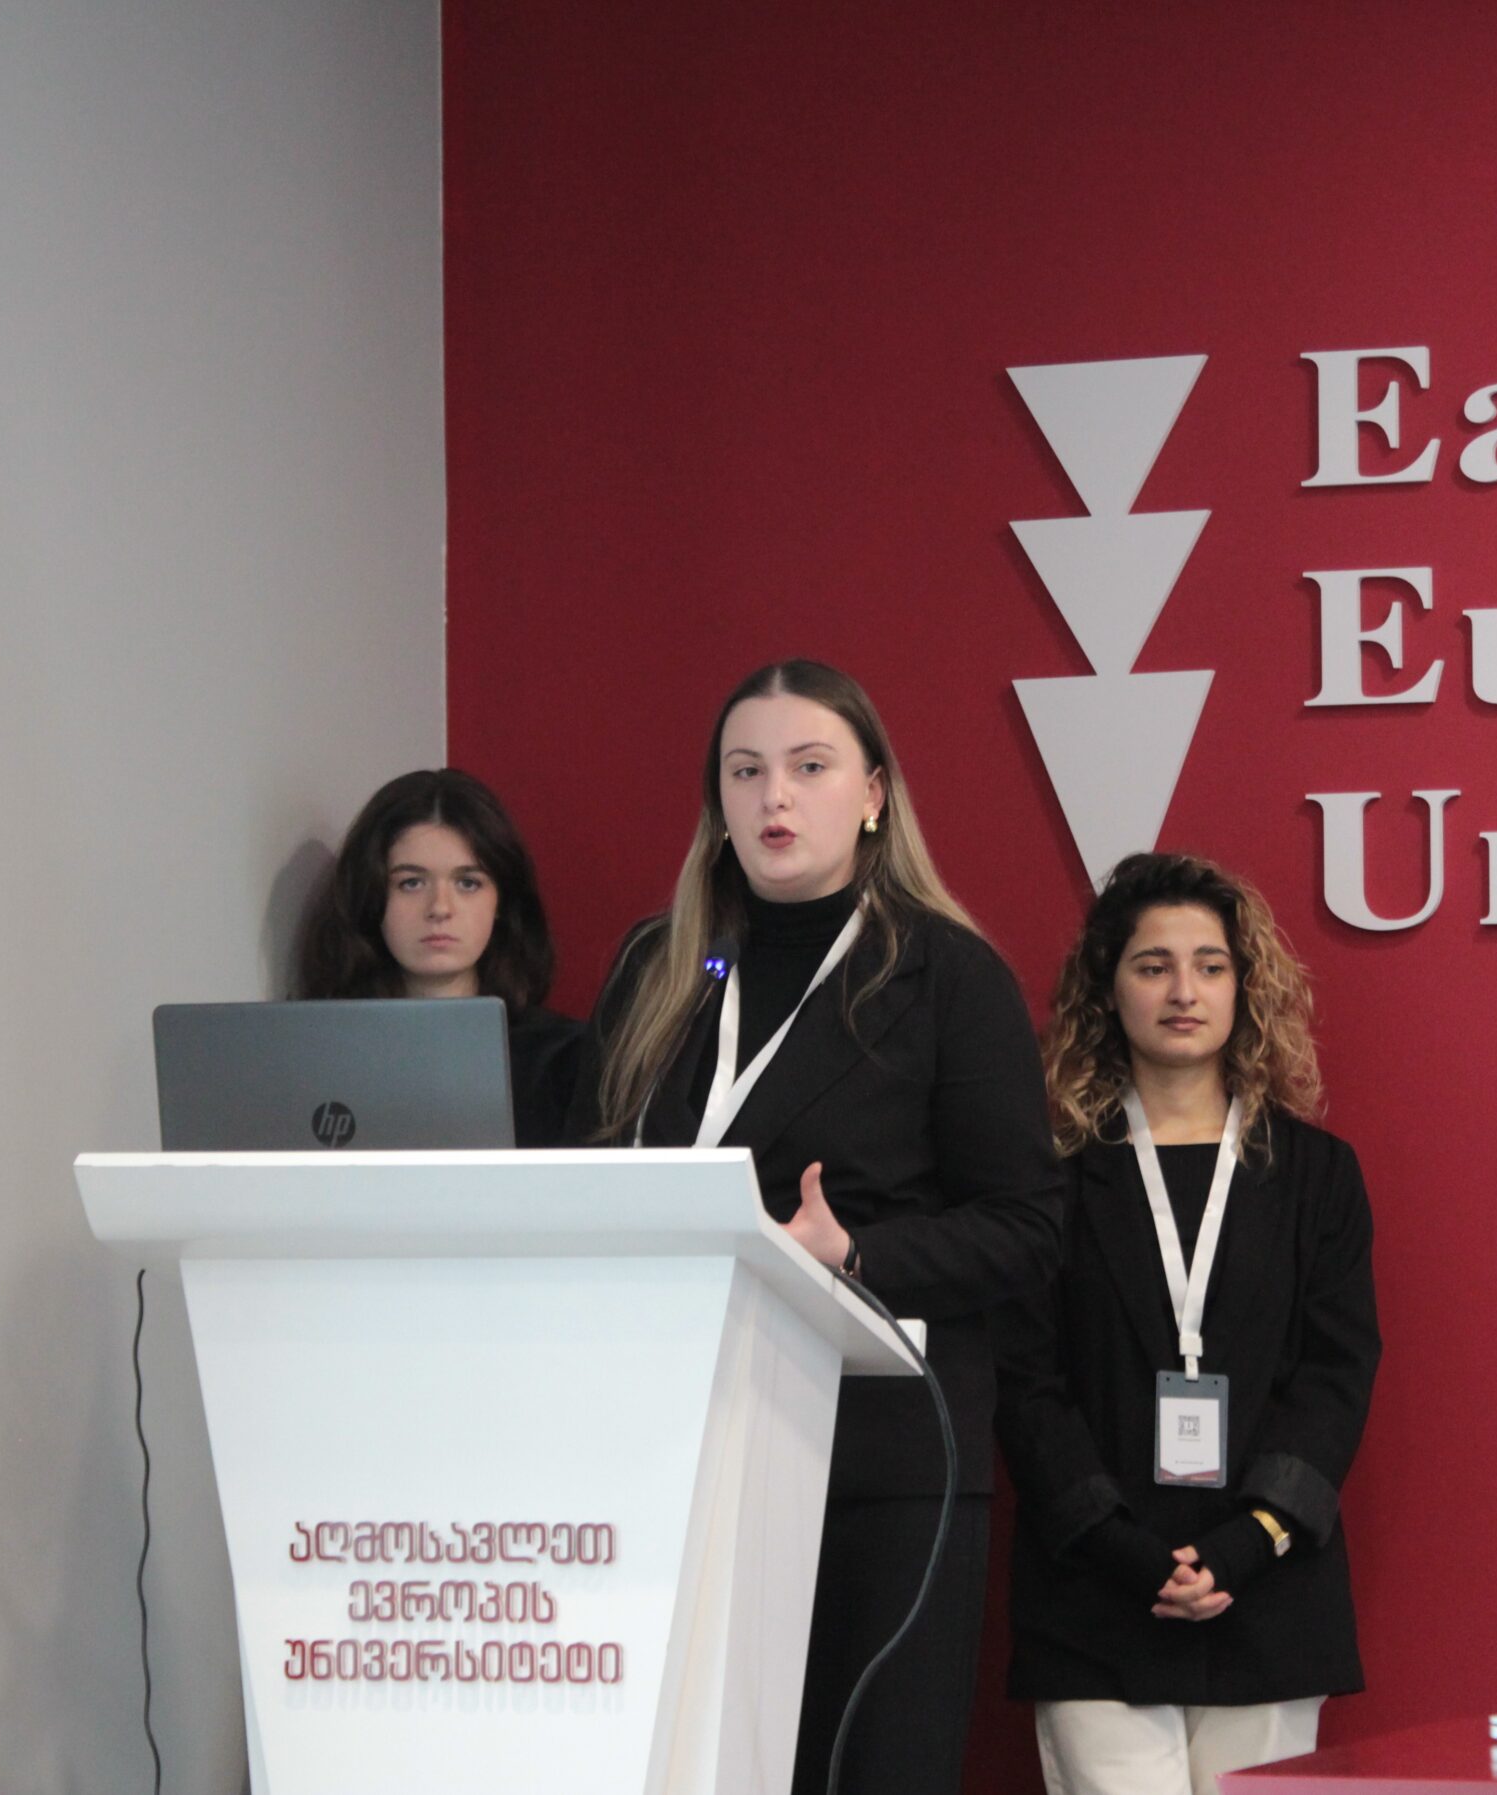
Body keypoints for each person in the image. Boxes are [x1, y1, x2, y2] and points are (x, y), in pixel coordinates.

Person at [577, 658, 1062, 1795]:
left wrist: (854, 1255)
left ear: (874, 794)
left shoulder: (948, 975)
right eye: (745, 772)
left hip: (878, 1458)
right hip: (673, 1447)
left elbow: (1030, 1228)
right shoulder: (659, 968)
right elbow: (587, 1175)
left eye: (808, 767)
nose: (774, 798)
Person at [997, 853, 1380, 1795]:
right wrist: (1123, 1549)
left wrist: (1249, 1540)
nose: (1182, 991)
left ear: (1244, 988)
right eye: (1152, 965)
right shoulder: (1048, 1180)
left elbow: (1336, 1377)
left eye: (1210, 966)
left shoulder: (1318, 1175)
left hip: (1268, 1587)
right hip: (1096, 1591)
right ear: (1108, 987)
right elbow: (1025, 1384)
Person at [296, 767, 582, 1147]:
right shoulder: (310, 1051)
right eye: (411, 883)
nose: (440, 908)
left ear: (501, 901)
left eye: (468, 883)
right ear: (371, 896)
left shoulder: (563, 1059)